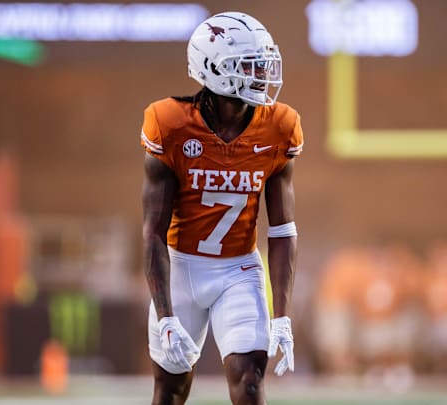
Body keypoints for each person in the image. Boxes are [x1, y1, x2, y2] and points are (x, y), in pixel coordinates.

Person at [140, 11, 303, 405]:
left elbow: (282, 229)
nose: (261, 72)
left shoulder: (279, 126)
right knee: (171, 389)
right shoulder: (170, 123)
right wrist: (164, 315)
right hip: (180, 266)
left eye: (262, 62)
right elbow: (153, 232)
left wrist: (281, 314)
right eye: (248, 64)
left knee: (250, 380)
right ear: (214, 68)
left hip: (239, 269)